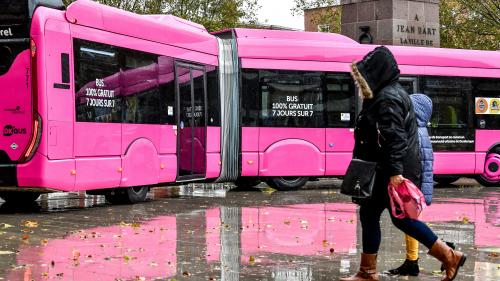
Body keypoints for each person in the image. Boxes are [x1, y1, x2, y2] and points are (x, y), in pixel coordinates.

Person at [340, 46, 466, 281]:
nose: (360, 82)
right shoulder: (384, 95)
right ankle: (367, 272)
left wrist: (396, 172)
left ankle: (449, 255)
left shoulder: (388, 98)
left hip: (388, 170)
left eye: (364, 76)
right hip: (382, 169)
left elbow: (394, 136)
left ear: (376, 73)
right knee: (372, 215)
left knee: (402, 220)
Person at [386, 93, 434, 276]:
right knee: (411, 222)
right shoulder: (420, 131)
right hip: (415, 183)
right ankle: (412, 261)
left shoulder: (415, 132)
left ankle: (445, 251)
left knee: (411, 222)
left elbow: (423, 163)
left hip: (411, 183)